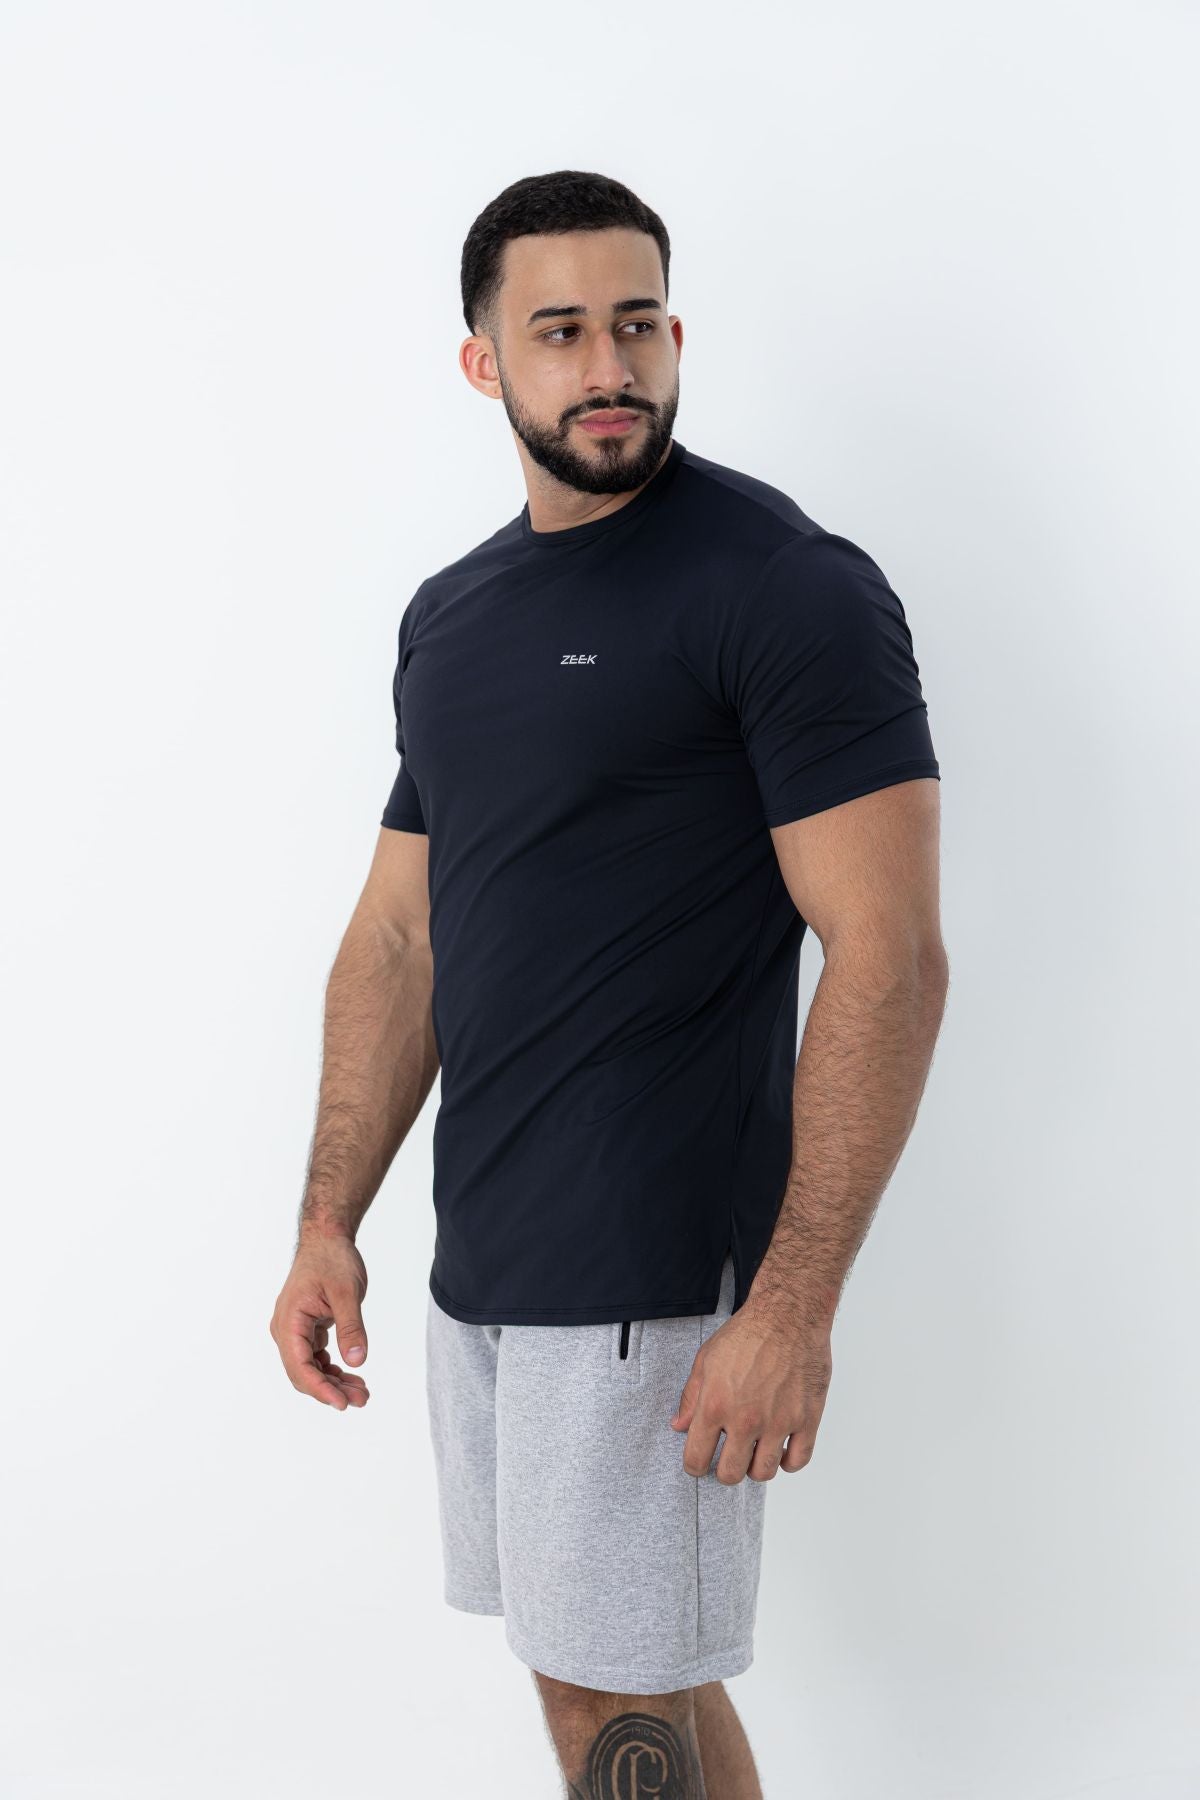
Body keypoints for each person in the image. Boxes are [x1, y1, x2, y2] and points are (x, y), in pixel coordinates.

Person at [269, 168, 949, 1797]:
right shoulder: (454, 618)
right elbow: (399, 938)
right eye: (561, 331)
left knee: (613, 1711)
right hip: (488, 1262)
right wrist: (328, 1216)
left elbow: (890, 954)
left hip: (654, 1268)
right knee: (606, 1681)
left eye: (637, 325)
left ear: (677, 337)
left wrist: (790, 1308)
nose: (609, 366)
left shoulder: (780, 585)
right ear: (483, 361)